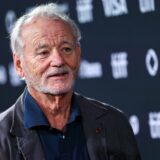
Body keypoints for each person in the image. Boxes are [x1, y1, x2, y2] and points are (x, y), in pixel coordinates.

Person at [0, 3, 141, 160]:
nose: (58, 61)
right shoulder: (2, 137)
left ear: (78, 54)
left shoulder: (114, 123)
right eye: (44, 52)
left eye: (66, 49)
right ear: (19, 65)